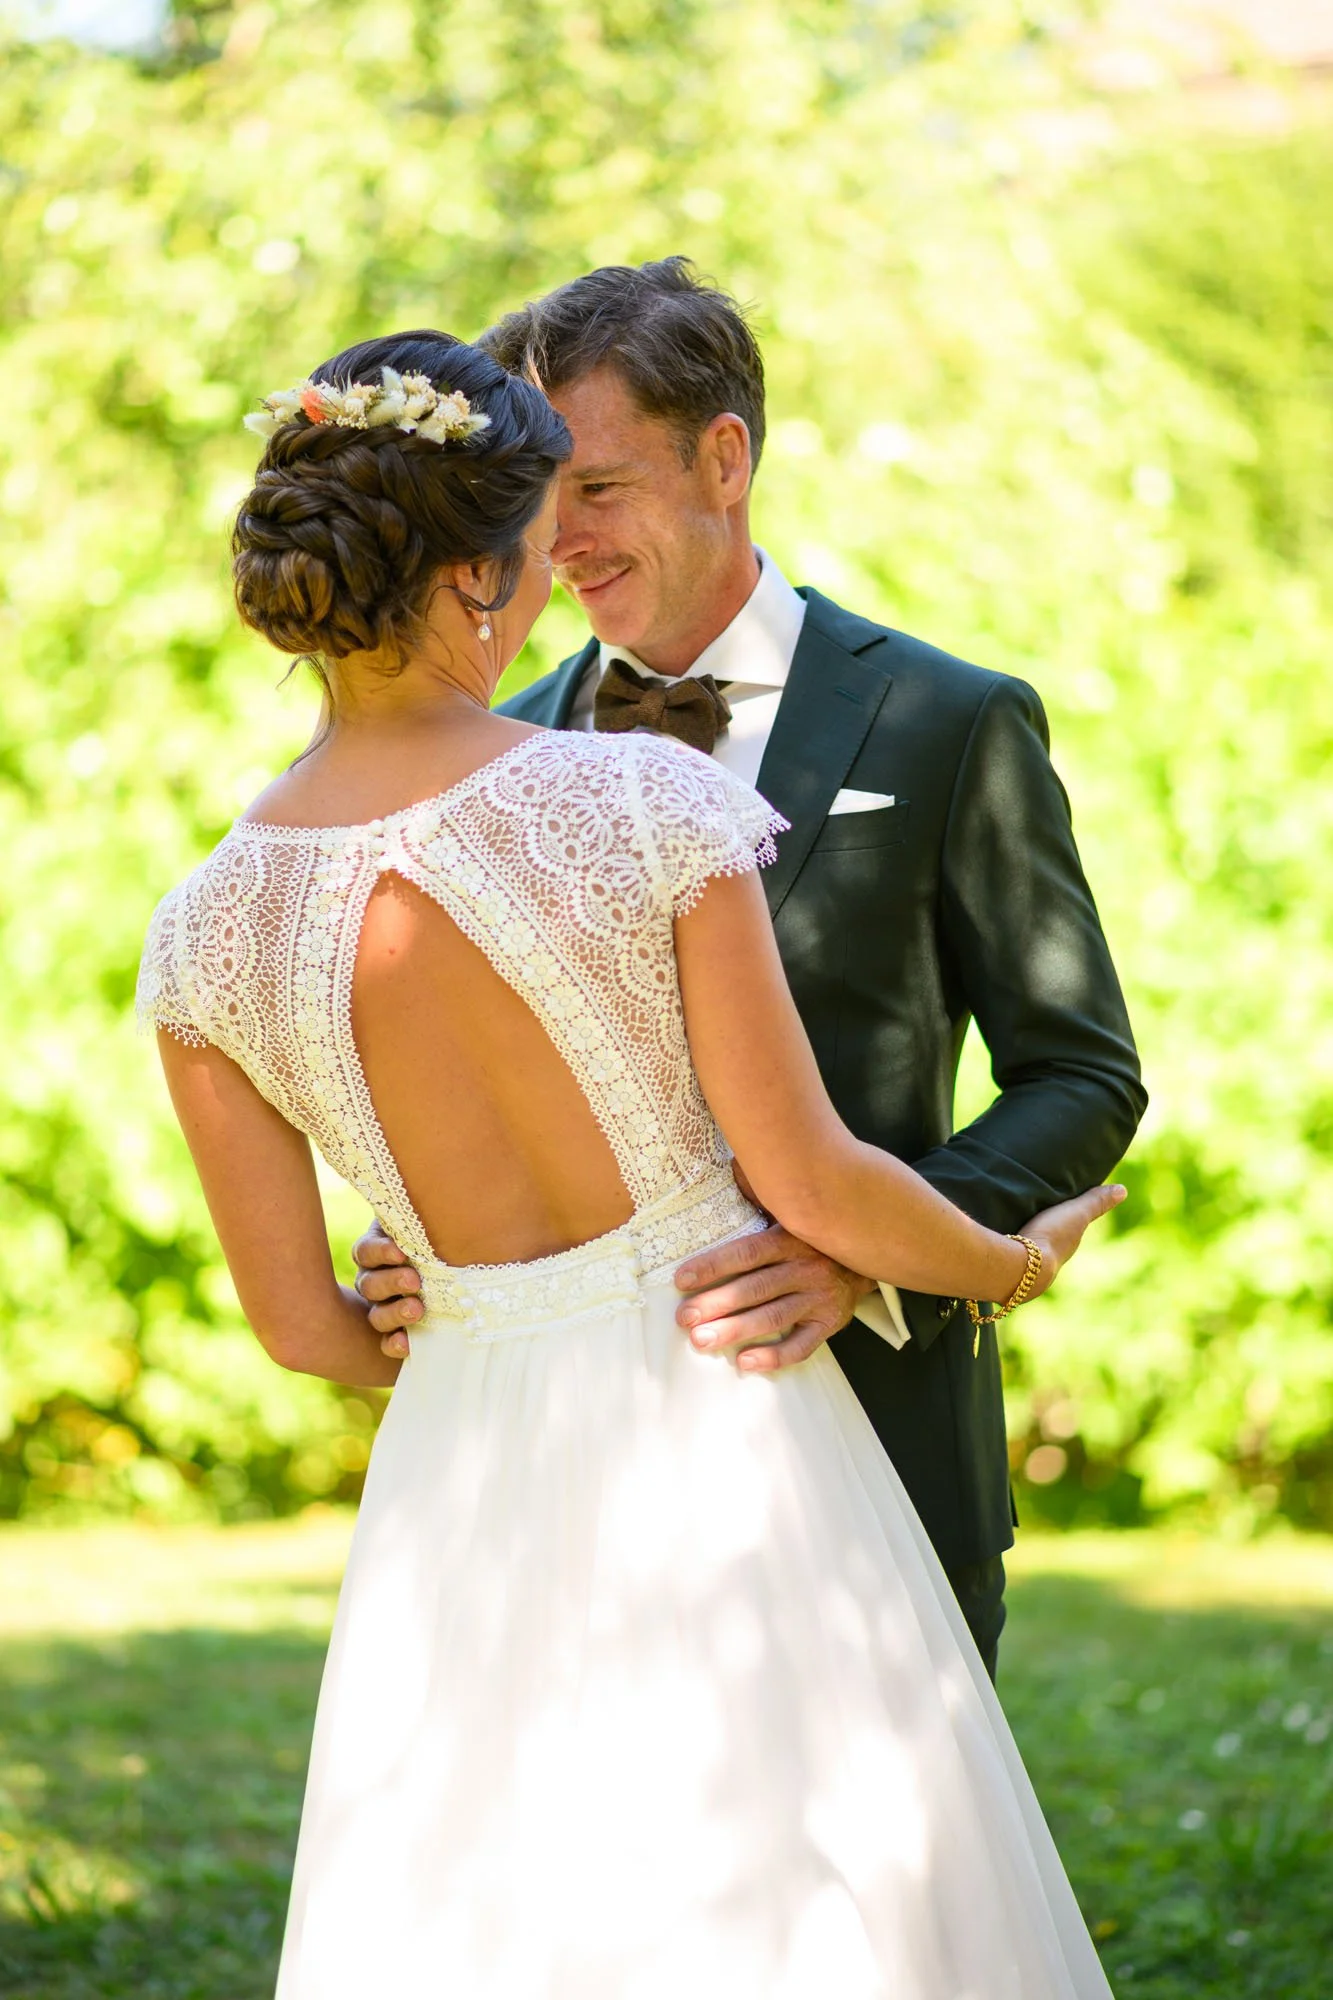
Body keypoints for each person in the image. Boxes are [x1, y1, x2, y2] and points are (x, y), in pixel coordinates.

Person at [139, 328, 1123, 1997]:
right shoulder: (641, 802)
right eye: (533, 535)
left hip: (463, 1475)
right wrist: (1018, 1263)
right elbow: (806, 1178)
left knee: (499, 1910)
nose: (554, 572)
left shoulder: (198, 932)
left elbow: (306, 1330)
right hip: (724, 1438)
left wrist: (450, 1293)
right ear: (471, 578)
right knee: (801, 1907)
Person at [353, 259, 1148, 1678]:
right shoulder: (478, 755)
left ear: (725, 457)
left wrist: (871, 1247)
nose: (559, 543)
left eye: (596, 489)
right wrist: (433, 1232)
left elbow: (1080, 1070)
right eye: (533, 502)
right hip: (561, 1466)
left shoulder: (945, 720)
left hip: (875, 1440)